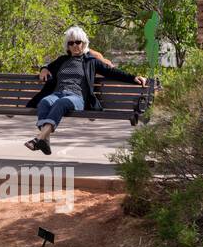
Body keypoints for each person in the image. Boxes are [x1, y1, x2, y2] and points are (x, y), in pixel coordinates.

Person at [24, 26, 146, 154]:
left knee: (61, 103)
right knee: (44, 102)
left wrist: (133, 78)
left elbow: (112, 72)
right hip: (58, 94)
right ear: (68, 46)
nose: (75, 46)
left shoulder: (91, 61)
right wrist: (43, 69)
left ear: (84, 43)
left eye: (78, 42)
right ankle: (45, 140)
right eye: (71, 43)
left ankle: (39, 139)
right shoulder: (62, 60)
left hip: (76, 98)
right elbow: (48, 66)